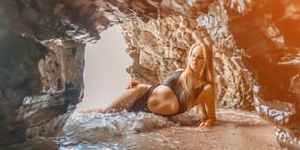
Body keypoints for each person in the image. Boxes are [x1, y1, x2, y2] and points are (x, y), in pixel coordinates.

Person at [84, 42, 217, 128]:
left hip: (152, 113)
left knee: (110, 124)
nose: (195, 60)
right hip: (142, 93)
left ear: (207, 61)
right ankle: (72, 120)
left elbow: (210, 116)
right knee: (103, 114)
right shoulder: (179, 72)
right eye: (193, 55)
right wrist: (142, 84)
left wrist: (208, 122)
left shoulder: (206, 88)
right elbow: (161, 89)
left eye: (200, 57)